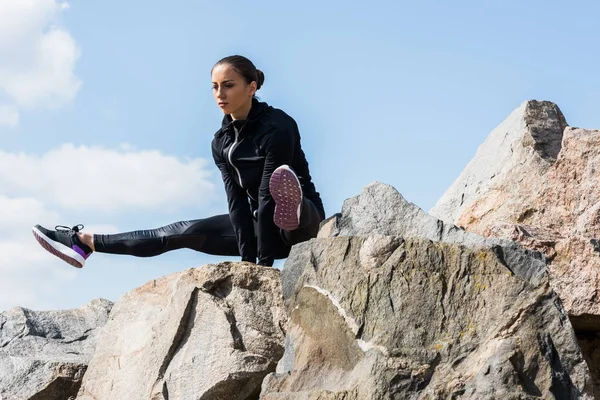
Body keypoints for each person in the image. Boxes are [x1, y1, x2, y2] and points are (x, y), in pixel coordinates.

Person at [32, 55, 325, 268]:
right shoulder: (221, 142)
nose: (219, 94)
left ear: (251, 87)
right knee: (179, 231)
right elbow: (236, 202)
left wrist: (263, 265)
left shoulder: (278, 126)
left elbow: (264, 193)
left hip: (303, 225)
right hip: (260, 226)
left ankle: (294, 210)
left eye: (229, 85)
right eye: (214, 87)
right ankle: (85, 243)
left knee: (283, 204)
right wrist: (248, 263)